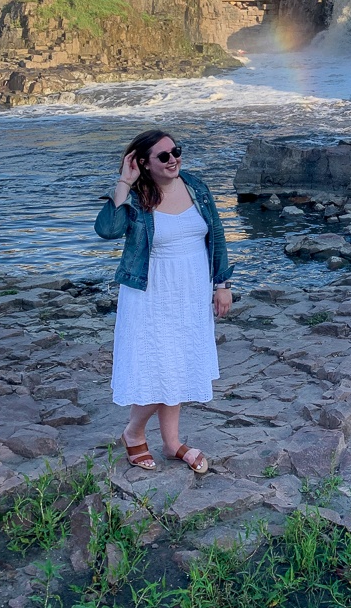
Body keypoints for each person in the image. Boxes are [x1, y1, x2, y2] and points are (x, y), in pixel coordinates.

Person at [94, 129, 233, 473]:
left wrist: (222, 283)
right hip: (152, 294)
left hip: (191, 290)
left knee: (181, 363)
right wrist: (124, 183)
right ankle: (134, 432)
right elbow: (107, 230)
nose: (174, 160)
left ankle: (171, 443)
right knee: (160, 367)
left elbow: (215, 233)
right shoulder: (138, 196)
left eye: (176, 152)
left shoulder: (195, 186)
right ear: (143, 163)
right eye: (164, 156)